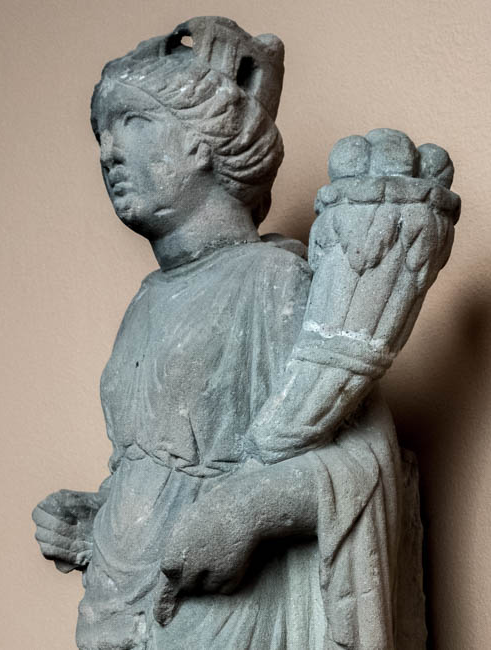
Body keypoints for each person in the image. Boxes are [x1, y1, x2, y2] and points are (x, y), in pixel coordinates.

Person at [32, 16, 459, 650]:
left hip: (225, 621)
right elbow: (166, 475)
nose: (108, 152)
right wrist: (100, 523)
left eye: (133, 122)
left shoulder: (268, 281)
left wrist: (251, 510)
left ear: (203, 142)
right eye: (102, 132)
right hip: (125, 615)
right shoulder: (147, 300)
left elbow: (362, 462)